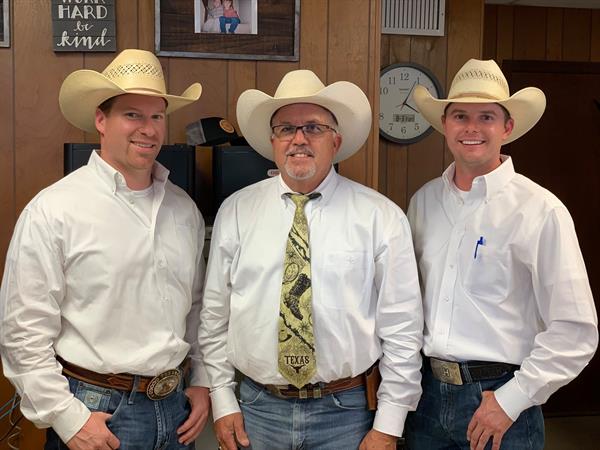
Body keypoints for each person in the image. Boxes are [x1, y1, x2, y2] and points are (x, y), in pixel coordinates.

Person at [198, 69, 424, 450]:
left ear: (336, 141)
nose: (298, 139)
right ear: (272, 141)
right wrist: (222, 400)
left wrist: (389, 423)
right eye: (286, 128)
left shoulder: (380, 217)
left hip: (347, 412)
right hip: (257, 408)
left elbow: (402, 328)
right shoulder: (236, 211)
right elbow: (214, 314)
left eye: (314, 128)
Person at [0, 49, 210, 449]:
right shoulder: (55, 209)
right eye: (132, 115)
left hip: (176, 408)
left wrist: (201, 381)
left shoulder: (183, 209)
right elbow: (22, 332)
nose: (148, 130)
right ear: (101, 119)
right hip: (98, 410)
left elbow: (195, 308)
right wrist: (67, 418)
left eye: (157, 116)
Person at [405, 58, 598, 450]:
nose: (471, 128)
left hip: (500, 401)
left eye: (486, 117)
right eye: (460, 115)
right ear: (445, 124)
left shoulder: (541, 210)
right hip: (424, 399)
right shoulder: (422, 203)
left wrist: (512, 400)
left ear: (507, 128)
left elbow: (576, 331)